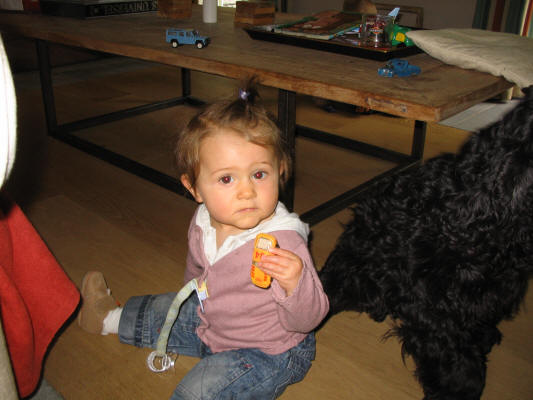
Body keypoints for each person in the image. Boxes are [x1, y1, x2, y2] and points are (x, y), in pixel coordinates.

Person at [78, 79, 330, 399]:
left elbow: (307, 320)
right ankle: (106, 317)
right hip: (211, 322)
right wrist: (192, 305)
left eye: (259, 174)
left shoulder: (284, 241)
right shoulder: (203, 220)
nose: (247, 191)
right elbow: (196, 273)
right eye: (226, 178)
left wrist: (296, 283)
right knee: (167, 308)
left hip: (268, 351)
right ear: (194, 188)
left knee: (198, 391)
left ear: (280, 171)